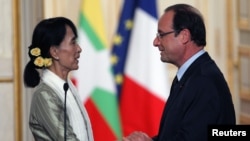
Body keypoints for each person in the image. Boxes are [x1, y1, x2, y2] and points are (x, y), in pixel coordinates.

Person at [122, 3, 236, 141]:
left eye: (161, 34)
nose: (155, 42)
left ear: (184, 36)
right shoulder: (190, 75)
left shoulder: (205, 82)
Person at [23, 17, 94, 141]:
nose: (79, 49)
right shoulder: (44, 96)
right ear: (54, 52)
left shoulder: (68, 87)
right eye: (73, 42)